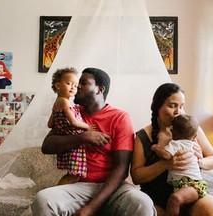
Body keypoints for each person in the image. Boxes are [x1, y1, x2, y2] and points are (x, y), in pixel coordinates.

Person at [32, 67, 156, 216]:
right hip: (79, 187)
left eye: (83, 83)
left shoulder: (120, 117)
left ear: (99, 90)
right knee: (43, 199)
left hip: (113, 188)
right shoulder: (72, 112)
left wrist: (91, 208)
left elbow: (122, 167)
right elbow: (47, 146)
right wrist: (83, 137)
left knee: (142, 203)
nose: (77, 86)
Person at [130, 83, 213, 216]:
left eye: (181, 106)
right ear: (157, 106)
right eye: (172, 106)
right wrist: (166, 164)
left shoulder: (192, 129)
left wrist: (200, 161)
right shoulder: (143, 137)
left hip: (190, 192)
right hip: (158, 198)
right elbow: (136, 176)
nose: (178, 112)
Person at [151, 114, 208, 216]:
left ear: (172, 132)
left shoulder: (176, 144)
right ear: (195, 136)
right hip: (195, 185)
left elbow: (166, 155)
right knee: (177, 200)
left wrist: (156, 148)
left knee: (175, 199)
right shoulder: (194, 144)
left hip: (192, 185)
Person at [48, 67, 94, 185]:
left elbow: (50, 124)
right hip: (74, 142)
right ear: (58, 86)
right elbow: (73, 122)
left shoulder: (57, 103)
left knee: (72, 174)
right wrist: (87, 127)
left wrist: (60, 125)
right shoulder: (64, 102)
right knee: (74, 175)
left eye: (75, 85)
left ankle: (57, 191)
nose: (74, 87)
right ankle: (56, 191)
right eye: (69, 84)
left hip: (67, 141)